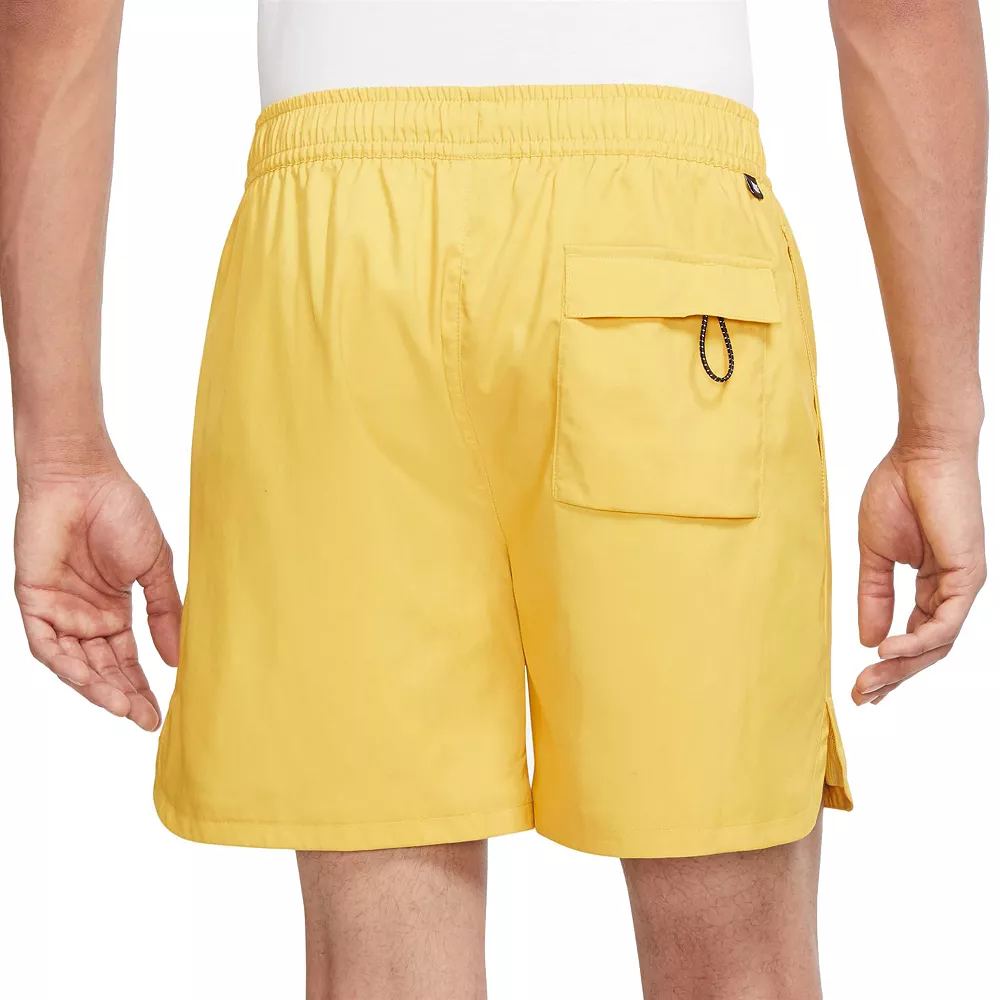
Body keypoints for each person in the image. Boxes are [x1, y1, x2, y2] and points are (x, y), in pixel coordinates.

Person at [0, 1, 987, 998]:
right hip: (660, 247)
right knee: (733, 963)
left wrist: (61, 452)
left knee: (385, 972)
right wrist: (938, 433)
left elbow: (50, 22)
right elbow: (898, 14)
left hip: (336, 262)